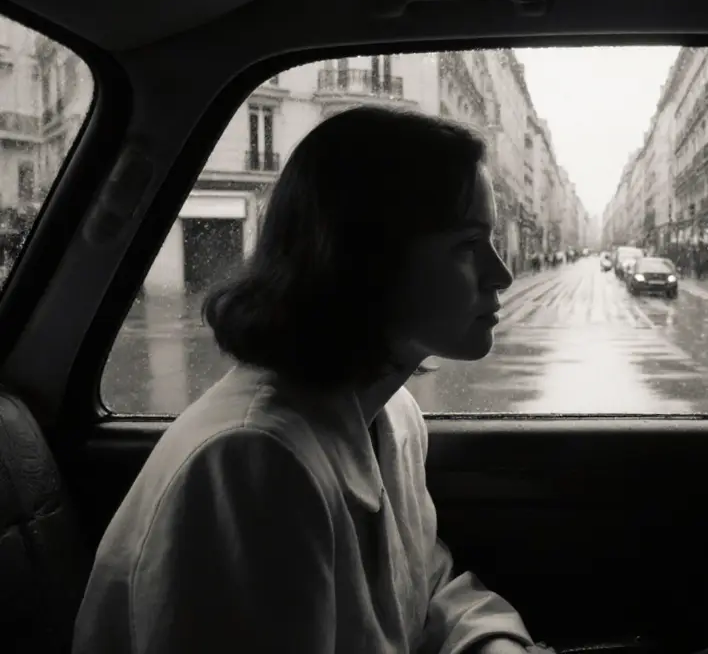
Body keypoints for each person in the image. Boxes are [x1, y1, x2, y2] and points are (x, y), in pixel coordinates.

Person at [74, 106, 549, 654]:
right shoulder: (253, 463)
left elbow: (421, 587)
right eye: (467, 245)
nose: (502, 274)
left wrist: (491, 643)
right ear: (367, 259)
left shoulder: (392, 415)